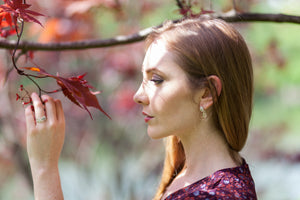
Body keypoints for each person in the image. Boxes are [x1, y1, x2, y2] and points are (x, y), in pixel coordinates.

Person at [25, 18, 257, 200]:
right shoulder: (188, 176)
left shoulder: (219, 195)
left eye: (156, 79)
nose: (138, 96)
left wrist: (44, 168)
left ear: (207, 93)